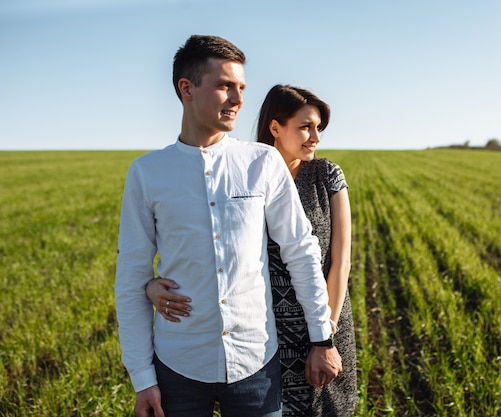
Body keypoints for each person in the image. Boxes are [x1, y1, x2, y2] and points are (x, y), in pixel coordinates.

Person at [115, 35, 342, 417]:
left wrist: (322, 338)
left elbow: (302, 251)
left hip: (257, 366)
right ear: (186, 88)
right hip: (177, 368)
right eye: (224, 86)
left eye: (241, 87)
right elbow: (131, 275)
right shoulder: (147, 173)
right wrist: (142, 377)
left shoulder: (262, 162)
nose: (238, 99)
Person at [147, 85, 358, 416]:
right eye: (306, 126)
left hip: (321, 315)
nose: (315, 136)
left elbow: (340, 261)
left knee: (323, 408)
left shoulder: (326, 174)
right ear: (276, 128)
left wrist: (326, 332)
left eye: (319, 127)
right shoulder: (250, 170)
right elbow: (211, 246)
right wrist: (151, 284)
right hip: (263, 329)